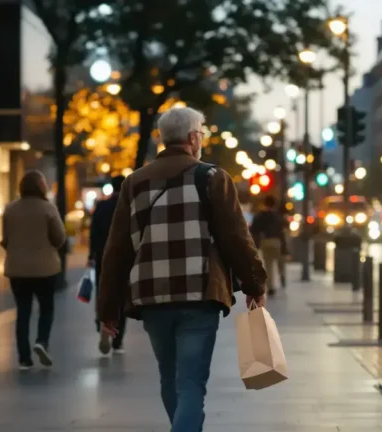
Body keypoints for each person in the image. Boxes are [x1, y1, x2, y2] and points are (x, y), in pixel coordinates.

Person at [96, 107, 267, 431]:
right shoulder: (213, 178)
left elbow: (117, 249)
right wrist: (255, 284)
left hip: (152, 296)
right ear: (192, 138)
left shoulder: (134, 183)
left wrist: (108, 308)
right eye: (200, 134)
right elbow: (235, 238)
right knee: (190, 383)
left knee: (170, 378)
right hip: (199, 295)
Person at [2, 170, 66, 370]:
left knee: (23, 311)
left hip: (17, 269)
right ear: (41, 186)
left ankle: (24, 358)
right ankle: (41, 341)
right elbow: (60, 237)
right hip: (45, 268)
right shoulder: (48, 208)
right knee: (46, 308)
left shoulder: (10, 209)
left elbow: (5, 239)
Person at [89, 175, 127, 356]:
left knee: (103, 293)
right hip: (124, 258)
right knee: (122, 297)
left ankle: (103, 324)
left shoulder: (102, 206)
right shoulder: (129, 206)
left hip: (102, 256)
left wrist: (91, 254)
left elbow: (94, 232)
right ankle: (117, 341)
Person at [250, 195, 287, 295]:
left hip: (265, 241)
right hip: (277, 241)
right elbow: (282, 232)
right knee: (281, 261)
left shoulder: (259, 216)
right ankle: (282, 275)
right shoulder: (277, 216)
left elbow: (253, 230)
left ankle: (270, 287)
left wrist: (256, 244)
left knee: (268, 265)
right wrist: (285, 248)